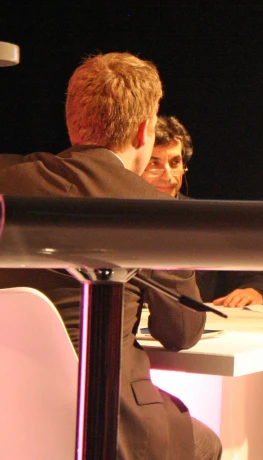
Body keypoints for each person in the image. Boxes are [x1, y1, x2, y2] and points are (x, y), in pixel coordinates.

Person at [0, 52, 222, 460]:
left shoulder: (8, 184)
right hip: (108, 421)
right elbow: (183, 332)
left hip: (10, 412)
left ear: (72, 122)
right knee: (208, 443)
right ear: (145, 132)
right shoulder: (154, 211)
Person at [141, 115, 263, 307]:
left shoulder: (204, 219)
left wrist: (253, 291)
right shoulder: (119, 219)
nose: (168, 175)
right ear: (136, 166)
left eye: (174, 163)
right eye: (154, 163)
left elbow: (256, 279)